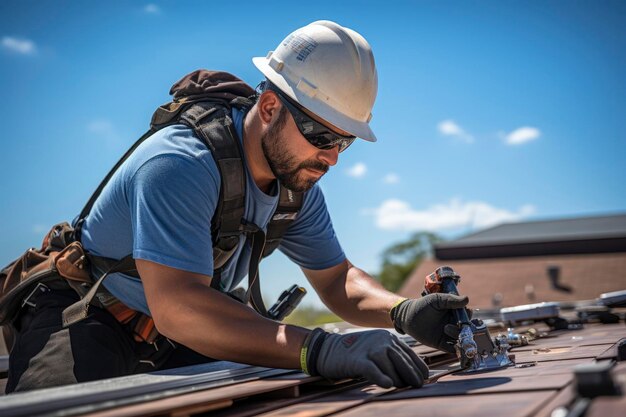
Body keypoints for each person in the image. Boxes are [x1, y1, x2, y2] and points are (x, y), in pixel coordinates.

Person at [5, 20, 469, 393]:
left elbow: (337, 279)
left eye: (344, 142)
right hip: (88, 314)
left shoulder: (297, 185)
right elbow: (180, 306)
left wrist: (404, 311)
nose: (330, 156)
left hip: (181, 331)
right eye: (321, 136)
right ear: (269, 108)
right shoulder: (180, 163)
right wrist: (320, 349)